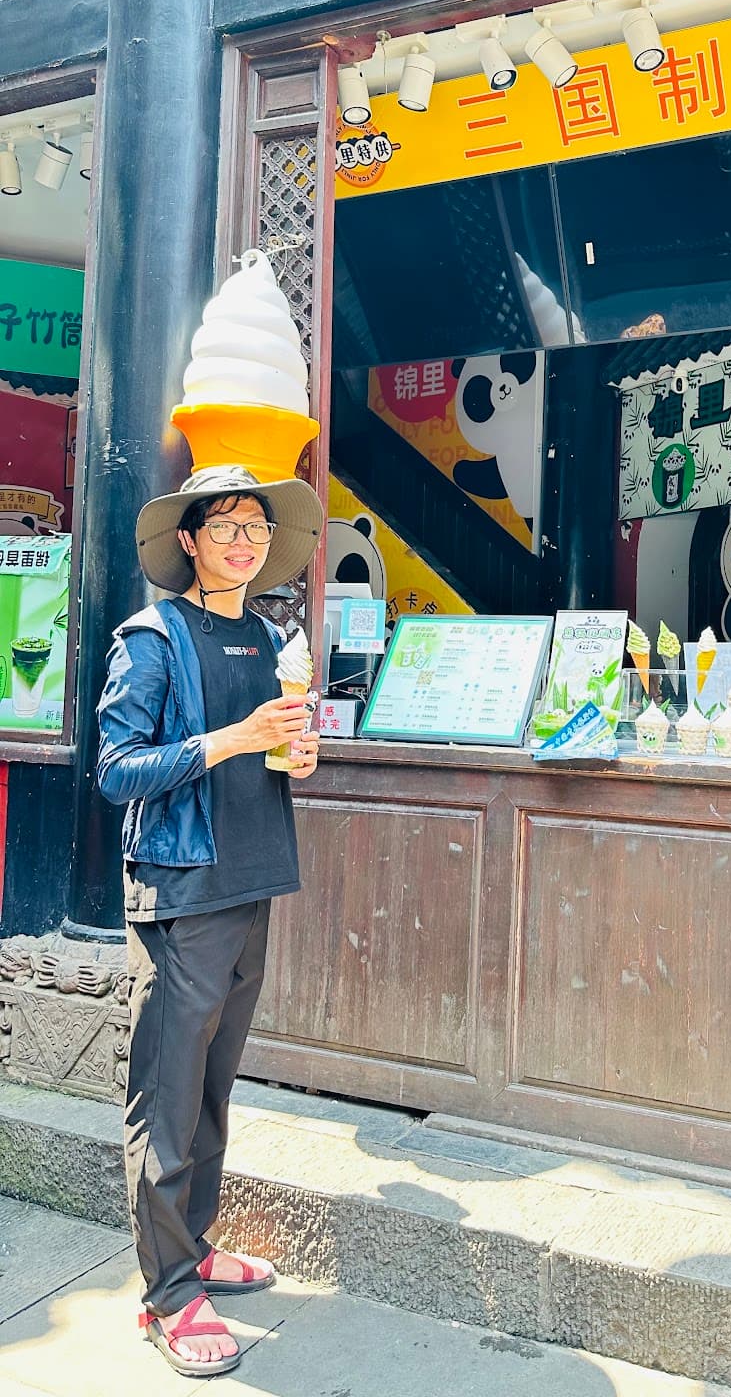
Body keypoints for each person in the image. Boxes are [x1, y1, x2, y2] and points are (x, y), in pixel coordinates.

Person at [97, 463, 324, 1377]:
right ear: (188, 542)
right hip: (183, 890)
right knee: (168, 1088)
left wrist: (297, 754)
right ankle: (165, 1294)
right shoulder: (152, 638)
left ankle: (190, 1250)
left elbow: (277, 754)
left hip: (253, 876)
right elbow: (116, 769)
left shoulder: (271, 639)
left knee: (216, 1085)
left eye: (257, 530)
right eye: (224, 526)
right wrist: (232, 739)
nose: (243, 542)